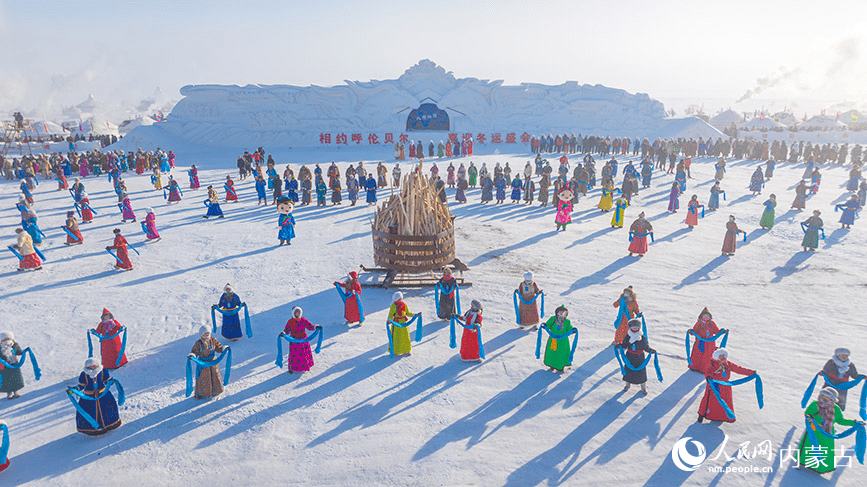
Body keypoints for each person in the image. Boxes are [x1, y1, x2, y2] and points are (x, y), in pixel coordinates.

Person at [797, 388, 864, 473]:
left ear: (832, 399)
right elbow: (808, 412)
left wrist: (854, 423)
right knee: (808, 447)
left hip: (826, 434)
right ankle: (801, 462)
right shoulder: (815, 404)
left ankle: (820, 467)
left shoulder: (835, 409)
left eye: (827, 397)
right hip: (814, 430)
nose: (824, 398)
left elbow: (841, 420)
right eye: (823, 396)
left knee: (824, 451)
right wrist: (809, 417)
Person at [697, 348, 756, 423]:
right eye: (721, 356)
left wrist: (751, 373)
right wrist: (709, 377)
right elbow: (708, 371)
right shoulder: (712, 364)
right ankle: (702, 414)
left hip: (725, 386)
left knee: (725, 402)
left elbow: (738, 369)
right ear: (717, 357)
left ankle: (723, 416)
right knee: (708, 401)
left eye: (724, 356)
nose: (723, 358)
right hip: (714, 386)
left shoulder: (728, 364)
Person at [71, 358, 122, 435]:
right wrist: (76, 389)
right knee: (90, 412)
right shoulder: (84, 374)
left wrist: (110, 381)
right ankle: (94, 429)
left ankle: (111, 424)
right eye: (91, 366)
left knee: (108, 409)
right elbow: (81, 385)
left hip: (103, 395)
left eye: (94, 366)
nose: (93, 367)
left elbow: (106, 381)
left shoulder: (103, 371)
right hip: (88, 397)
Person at [619, 318, 656, 395]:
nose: (635, 329)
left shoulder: (642, 337)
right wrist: (620, 346)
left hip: (640, 357)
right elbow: (625, 345)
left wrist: (650, 350)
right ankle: (627, 385)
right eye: (633, 327)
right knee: (629, 371)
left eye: (637, 327)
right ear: (630, 328)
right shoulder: (628, 336)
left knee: (641, 372)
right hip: (630, 357)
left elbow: (645, 346)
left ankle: (643, 387)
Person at [189, 326, 227, 399]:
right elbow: (195, 351)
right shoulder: (198, 343)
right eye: (205, 333)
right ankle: (203, 393)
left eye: (208, 333)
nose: (207, 335)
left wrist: (223, 349)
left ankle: (216, 391)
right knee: (204, 378)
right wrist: (193, 355)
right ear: (201, 334)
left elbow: (218, 348)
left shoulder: (213, 340)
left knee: (215, 376)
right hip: (203, 364)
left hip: (213, 362)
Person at [281, 307, 320, 373]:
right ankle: (292, 367)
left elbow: (309, 326)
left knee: (303, 353)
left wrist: (315, 327)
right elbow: (287, 330)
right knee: (294, 354)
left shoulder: (303, 320)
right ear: (293, 313)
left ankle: (305, 366)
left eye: (298, 312)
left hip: (303, 339)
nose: (297, 314)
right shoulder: (290, 322)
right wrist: (284, 333)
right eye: (296, 312)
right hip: (294, 340)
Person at [688, 308, 724, 373]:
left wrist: (721, 331)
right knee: (697, 355)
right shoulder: (699, 323)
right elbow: (695, 331)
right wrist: (691, 332)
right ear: (701, 316)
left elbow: (716, 331)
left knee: (707, 356)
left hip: (709, 343)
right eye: (705, 316)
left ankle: (704, 369)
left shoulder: (712, 324)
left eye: (708, 316)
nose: (706, 317)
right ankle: (694, 366)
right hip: (700, 342)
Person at [542, 305, 574, 372]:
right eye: (560, 313)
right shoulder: (553, 319)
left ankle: (560, 366)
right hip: (553, 340)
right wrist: (545, 326)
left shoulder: (567, 321)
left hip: (563, 341)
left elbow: (569, 329)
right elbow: (548, 325)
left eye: (563, 313)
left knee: (561, 353)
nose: (561, 315)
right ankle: (551, 365)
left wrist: (572, 331)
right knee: (552, 352)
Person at [387, 292, 414, 356]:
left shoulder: (400, 305)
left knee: (401, 337)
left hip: (400, 323)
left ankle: (402, 350)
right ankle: (400, 350)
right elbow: (391, 314)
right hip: (400, 323)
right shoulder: (398, 305)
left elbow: (407, 313)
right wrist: (389, 320)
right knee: (400, 337)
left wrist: (414, 315)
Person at [0, 332, 25, 399]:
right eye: (5, 338)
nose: (7, 339)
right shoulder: (1, 347)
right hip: (4, 366)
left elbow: (19, 352)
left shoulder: (14, 345)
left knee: (15, 378)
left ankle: (16, 391)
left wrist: (17, 348)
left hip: (14, 365)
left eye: (8, 338)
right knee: (6, 379)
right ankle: (9, 393)